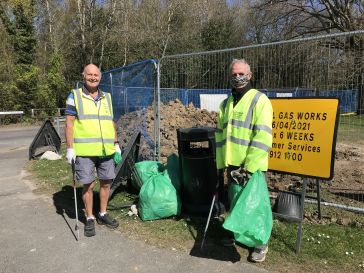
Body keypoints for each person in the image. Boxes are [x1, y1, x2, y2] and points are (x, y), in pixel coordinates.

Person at [215, 59, 273, 262]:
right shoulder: (226, 104)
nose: (237, 77)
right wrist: (220, 165)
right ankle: (235, 233)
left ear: (250, 75)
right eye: (234, 74)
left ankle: (260, 243)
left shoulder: (260, 100)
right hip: (232, 165)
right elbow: (221, 137)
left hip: (250, 167)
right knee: (236, 203)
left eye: (241, 73)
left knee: (256, 206)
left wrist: (248, 167)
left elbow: (263, 137)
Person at [65, 63, 122, 237]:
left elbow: (111, 122)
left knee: (106, 182)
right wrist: (70, 149)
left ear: (100, 77)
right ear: (84, 76)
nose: (93, 77)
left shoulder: (108, 97)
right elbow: (69, 123)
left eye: (96, 74)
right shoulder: (74, 96)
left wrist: (116, 143)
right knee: (88, 185)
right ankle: (89, 217)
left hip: (106, 150)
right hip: (85, 151)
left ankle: (102, 213)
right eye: (89, 74)